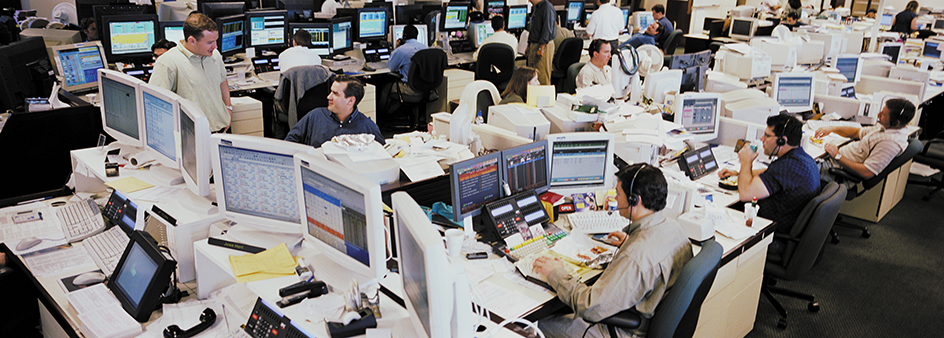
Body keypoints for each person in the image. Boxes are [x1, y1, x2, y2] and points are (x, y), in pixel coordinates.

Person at [534, 163, 693, 338]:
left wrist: (555, 273)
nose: (615, 199)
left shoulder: (635, 257)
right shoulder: (674, 228)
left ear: (634, 200)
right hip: (645, 315)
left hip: (620, 331)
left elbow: (590, 307)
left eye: (618, 193)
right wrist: (630, 241)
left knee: (533, 326)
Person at [717, 114, 820, 230]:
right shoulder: (802, 159)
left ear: (782, 141)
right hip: (788, 223)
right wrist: (738, 174)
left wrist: (746, 162)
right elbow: (769, 173)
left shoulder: (786, 167)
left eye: (767, 135)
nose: (762, 139)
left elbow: (745, 194)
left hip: (771, 231)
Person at [150, 13, 233, 133]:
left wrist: (228, 108)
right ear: (192, 40)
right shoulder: (168, 62)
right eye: (210, 42)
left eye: (216, 41)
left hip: (221, 128)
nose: (215, 46)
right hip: (193, 134)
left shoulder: (214, 55)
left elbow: (222, 80)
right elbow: (156, 102)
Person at [815, 98, 916, 185]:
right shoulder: (886, 128)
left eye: (884, 114)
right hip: (832, 159)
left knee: (801, 169)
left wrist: (837, 156)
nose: (878, 114)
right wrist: (832, 129)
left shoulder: (891, 144)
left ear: (896, 123)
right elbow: (857, 132)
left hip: (836, 170)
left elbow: (866, 173)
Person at [285, 75, 384, 148]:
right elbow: (289, 142)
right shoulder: (315, 116)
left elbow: (383, 154)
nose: (329, 97)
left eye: (335, 94)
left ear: (350, 101)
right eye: (331, 91)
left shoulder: (367, 126)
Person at [381, 24, 427, 114]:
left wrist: (396, 48)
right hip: (426, 88)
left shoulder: (401, 50)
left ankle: (383, 118)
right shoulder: (425, 48)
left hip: (411, 89)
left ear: (404, 36)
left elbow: (391, 67)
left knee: (386, 88)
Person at [527, 0, 557, 85]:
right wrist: (529, 45)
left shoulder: (547, 7)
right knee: (532, 78)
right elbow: (534, 28)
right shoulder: (536, 8)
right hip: (535, 44)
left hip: (543, 45)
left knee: (542, 78)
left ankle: (545, 98)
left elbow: (547, 28)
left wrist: (541, 47)